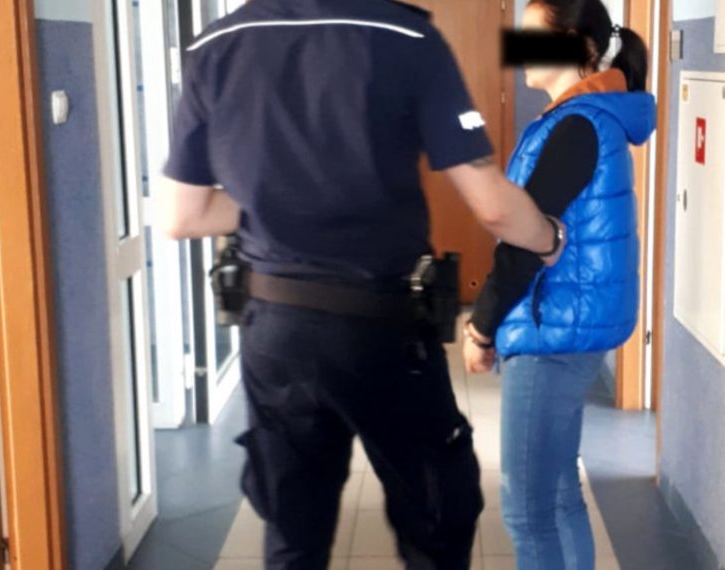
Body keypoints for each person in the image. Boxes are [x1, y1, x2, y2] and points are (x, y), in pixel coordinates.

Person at [155, 0, 568, 568]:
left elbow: (182, 216)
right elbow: (492, 204)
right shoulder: (407, 37)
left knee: (293, 534)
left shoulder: (215, 46)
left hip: (274, 330)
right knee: (435, 520)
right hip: (381, 331)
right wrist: (548, 237)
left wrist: (280, 205)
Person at [461, 0, 656, 567]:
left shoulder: (576, 126)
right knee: (562, 496)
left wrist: (482, 327)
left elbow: (526, 239)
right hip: (570, 330)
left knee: (527, 514)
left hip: (552, 336)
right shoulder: (584, 118)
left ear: (578, 46)